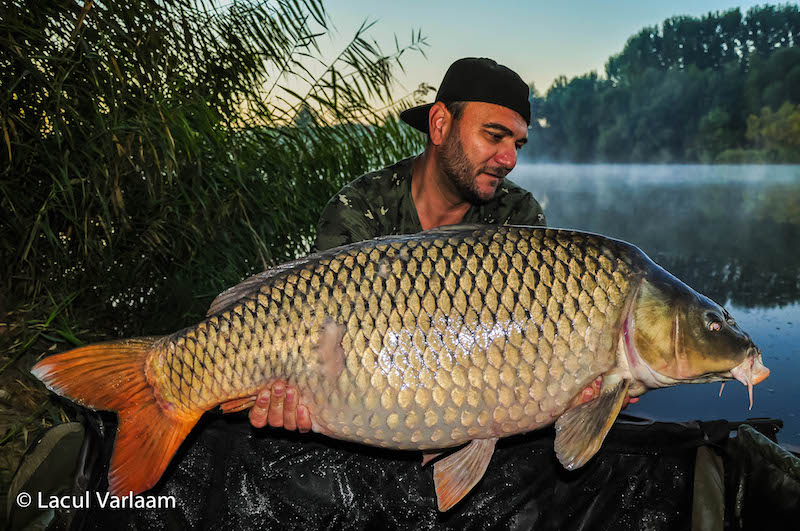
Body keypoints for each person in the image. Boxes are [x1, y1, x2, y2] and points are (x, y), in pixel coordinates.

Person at [246, 57, 548, 433]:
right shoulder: (360, 208)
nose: (510, 159)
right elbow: (319, 337)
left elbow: (530, 346)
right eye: (494, 136)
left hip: (471, 410)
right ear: (440, 125)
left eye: (517, 143)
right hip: (366, 412)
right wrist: (293, 395)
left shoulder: (517, 217)